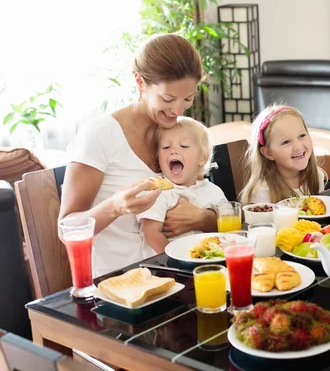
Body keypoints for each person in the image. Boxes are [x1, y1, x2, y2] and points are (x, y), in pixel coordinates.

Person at [59, 34, 217, 277]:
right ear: (140, 83)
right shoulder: (101, 134)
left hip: (173, 276)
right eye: (167, 98)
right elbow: (66, 229)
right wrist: (115, 206)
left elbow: (202, 193)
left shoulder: (177, 131)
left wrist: (202, 218)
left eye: (188, 99)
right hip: (119, 284)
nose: (177, 110)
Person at [136, 117, 228, 257]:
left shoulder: (213, 191)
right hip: (167, 267)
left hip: (207, 260)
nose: (173, 151)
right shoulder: (158, 192)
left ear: (202, 158)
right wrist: (176, 259)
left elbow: (228, 223)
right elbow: (151, 235)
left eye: (184, 146)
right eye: (166, 147)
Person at [239, 104, 327, 204]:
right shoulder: (262, 192)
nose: (298, 147)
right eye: (286, 142)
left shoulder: (317, 177)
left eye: (302, 135)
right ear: (268, 153)